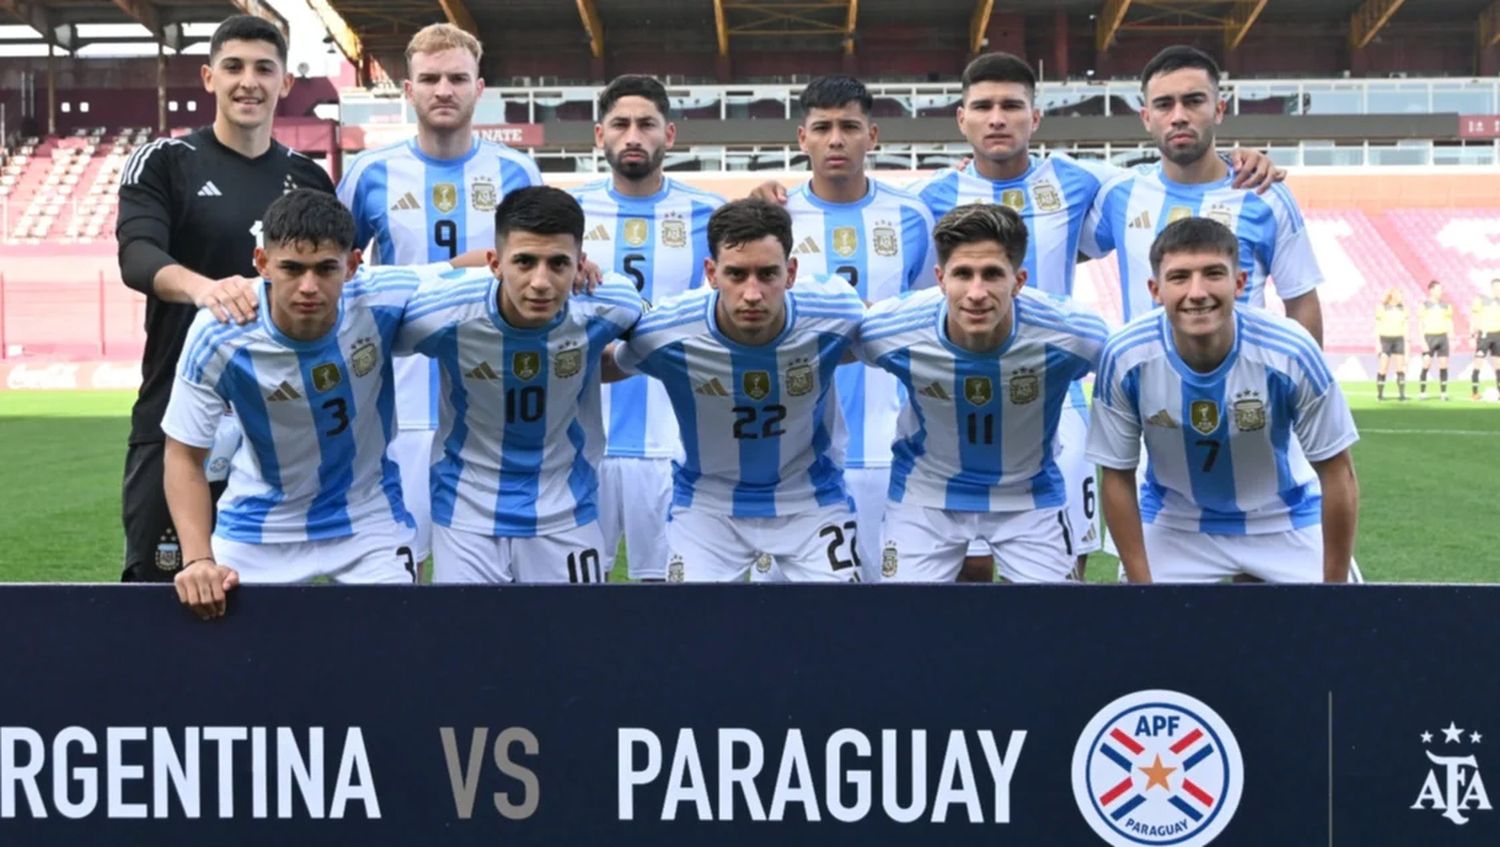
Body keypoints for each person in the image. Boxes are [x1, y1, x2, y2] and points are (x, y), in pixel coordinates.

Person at [116, 15, 335, 583]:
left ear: (285, 83)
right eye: (234, 67)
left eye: (265, 69)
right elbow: (137, 254)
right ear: (208, 77)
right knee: (162, 595)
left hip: (280, 424)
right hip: (180, 413)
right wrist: (205, 289)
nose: (249, 82)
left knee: (273, 607)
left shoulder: (310, 177)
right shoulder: (165, 161)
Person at [164, 190, 436, 619]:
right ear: (262, 262)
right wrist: (198, 560)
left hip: (368, 520)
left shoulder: (385, 296)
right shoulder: (219, 332)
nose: (308, 286)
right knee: (234, 669)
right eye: (292, 268)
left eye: (326, 268)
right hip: (258, 527)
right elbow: (182, 456)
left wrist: (572, 270)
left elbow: (470, 275)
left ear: (351, 265)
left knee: (395, 654)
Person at [337, 23, 543, 565]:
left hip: (489, 407)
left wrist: (453, 270)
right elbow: (338, 276)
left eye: (457, 78)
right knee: (396, 575)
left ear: (480, 88)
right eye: (429, 79)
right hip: (395, 405)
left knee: (489, 585)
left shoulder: (517, 171)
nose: (443, 90)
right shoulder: (369, 172)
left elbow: (541, 268)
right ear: (408, 91)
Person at [1087, 217, 1360, 584]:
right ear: (1155, 289)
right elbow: (1117, 477)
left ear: (1240, 282)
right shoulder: (1125, 355)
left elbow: (1337, 471)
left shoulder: (1290, 351)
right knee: (1144, 637)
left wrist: (1337, 590)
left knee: (1343, 634)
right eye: (1180, 277)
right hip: (1174, 521)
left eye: (1213, 273)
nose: (1197, 292)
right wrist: (1142, 592)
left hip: (1283, 516)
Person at [395, 187, 644, 583]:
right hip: (465, 511)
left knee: (572, 644)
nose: (541, 282)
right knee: (469, 644)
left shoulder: (611, 303)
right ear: (494, 262)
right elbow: (359, 307)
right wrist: (258, 288)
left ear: (580, 263)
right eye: (524, 262)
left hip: (567, 508)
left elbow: (656, 339)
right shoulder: (441, 312)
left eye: (558, 264)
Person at [609, 199, 865, 582]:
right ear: (711, 273)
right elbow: (608, 363)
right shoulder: (666, 330)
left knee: (844, 628)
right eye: (736, 274)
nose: (752, 293)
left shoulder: (834, 312)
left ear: (791, 272)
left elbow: (887, 330)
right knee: (690, 633)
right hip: (706, 507)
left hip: (810, 502)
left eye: (767, 274)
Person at [856, 204, 1114, 582]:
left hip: (1029, 495)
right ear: (940, 279)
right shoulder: (892, 330)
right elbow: (825, 342)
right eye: (963, 274)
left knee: (1057, 631)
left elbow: (1128, 371)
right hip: (924, 498)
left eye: (992, 274)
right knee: (906, 629)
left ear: (1019, 280)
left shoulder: (1074, 335)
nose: (976, 292)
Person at [753, 74, 936, 583]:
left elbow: (927, 316)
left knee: (882, 598)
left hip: (888, 443)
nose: (836, 139)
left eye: (850, 127)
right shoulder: (774, 217)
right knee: (780, 608)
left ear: (872, 136)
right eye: (823, 127)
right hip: (790, 455)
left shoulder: (912, 216)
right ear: (802, 138)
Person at [569, 75, 724, 581]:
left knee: (666, 606)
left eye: (646, 124)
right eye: (620, 124)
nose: (633, 135)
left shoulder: (711, 216)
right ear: (599, 135)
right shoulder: (566, 217)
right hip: (580, 442)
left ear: (670, 134)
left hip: (674, 442)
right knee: (566, 602)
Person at [1082, 45, 1325, 346]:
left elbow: (1301, 301)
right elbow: (1052, 247)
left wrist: (1307, 386)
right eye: (1164, 105)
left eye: (1194, 101)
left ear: (1219, 109)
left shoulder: (1264, 193)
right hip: (1148, 388)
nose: (1179, 116)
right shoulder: (1120, 194)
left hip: (1242, 388)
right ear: (1146, 117)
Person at [1417, 280, 1452, 400]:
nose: (1441, 291)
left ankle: (1443, 393)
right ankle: (1422, 392)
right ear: (1431, 290)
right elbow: (1420, 324)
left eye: (1441, 289)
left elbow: (1449, 321)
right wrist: (1422, 340)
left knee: (1443, 365)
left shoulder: (1446, 306)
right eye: (1438, 289)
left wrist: (1451, 335)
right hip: (1429, 337)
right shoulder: (1424, 305)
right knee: (1426, 364)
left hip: (1442, 337)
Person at [1374, 287, 1409, 402]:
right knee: (1383, 368)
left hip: (1398, 339)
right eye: (1399, 294)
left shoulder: (1403, 309)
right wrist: (1378, 343)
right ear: (1393, 295)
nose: (1401, 297)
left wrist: (1407, 342)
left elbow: (1405, 326)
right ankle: (1380, 394)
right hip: (1385, 339)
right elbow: (1377, 326)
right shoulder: (1382, 308)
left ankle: (1402, 394)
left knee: (1400, 367)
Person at [1470, 278, 1500, 401]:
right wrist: (1472, 335)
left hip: (1498, 335)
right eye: (1496, 287)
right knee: (1478, 363)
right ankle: (1475, 393)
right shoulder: (1481, 299)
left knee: (1498, 366)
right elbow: (1474, 316)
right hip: (1484, 336)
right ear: (1492, 287)